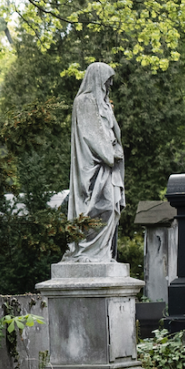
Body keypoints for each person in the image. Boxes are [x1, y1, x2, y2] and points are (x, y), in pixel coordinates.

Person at [63, 62, 124, 263]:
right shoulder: (84, 101)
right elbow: (90, 134)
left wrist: (115, 148)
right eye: (107, 80)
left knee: (111, 207)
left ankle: (102, 253)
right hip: (93, 164)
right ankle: (87, 251)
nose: (110, 84)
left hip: (108, 165)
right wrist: (110, 153)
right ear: (97, 79)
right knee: (101, 206)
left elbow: (112, 130)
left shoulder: (104, 103)